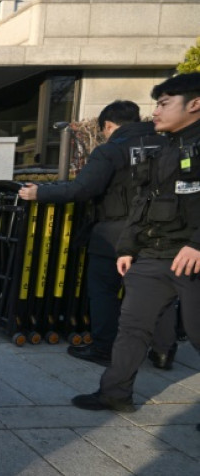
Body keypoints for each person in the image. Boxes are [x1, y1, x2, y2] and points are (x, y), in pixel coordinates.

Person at [72, 73, 200, 413]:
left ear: (195, 103)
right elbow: (142, 203)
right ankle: (114, 394)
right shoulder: (164, 147)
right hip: (155, 254)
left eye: (164, 104)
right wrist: (128, 247)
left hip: (193, 257)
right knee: (131, 328)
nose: (155, 112)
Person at [18, 101, 178, 369]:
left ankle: (105, 348)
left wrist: (39, 193)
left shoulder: (111, 150)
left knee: (103, 289)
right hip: (163, 231)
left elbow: (82, 189)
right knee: (158, 292)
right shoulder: (170, 146)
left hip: (116, 231)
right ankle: (163, 352)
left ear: (108, 125)